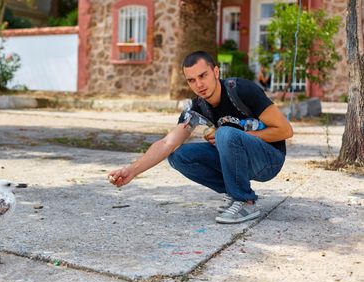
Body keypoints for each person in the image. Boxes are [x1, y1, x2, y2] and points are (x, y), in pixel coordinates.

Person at [108, 51, 293, 224]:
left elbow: (285, 130)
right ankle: (234, 190)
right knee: (178, 156)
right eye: (192, 80)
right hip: (240, 161)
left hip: (269, 160)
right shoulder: (197, 107)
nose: (199, 85)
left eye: (203, 76)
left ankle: (245, 201)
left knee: (225, 133)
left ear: (216, 71)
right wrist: (132, 170)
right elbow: (167, 143)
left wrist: (233, 135)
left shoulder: (242, 90)